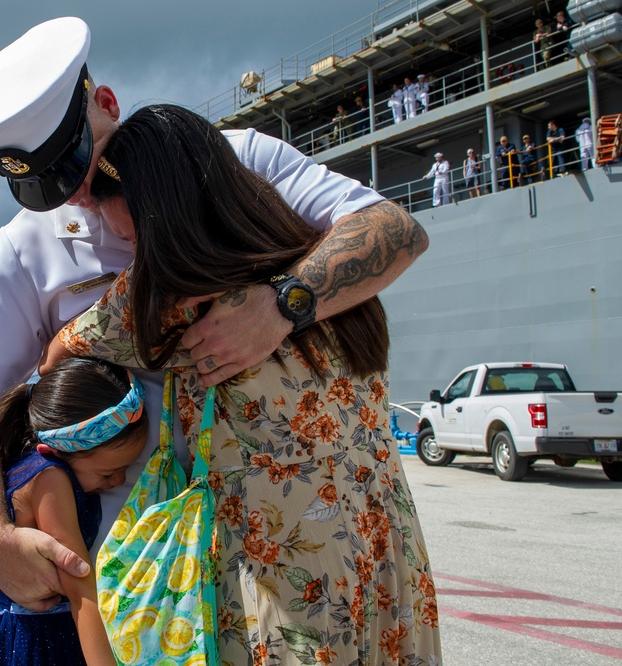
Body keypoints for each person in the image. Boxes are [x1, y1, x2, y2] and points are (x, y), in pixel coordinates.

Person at [0, 17, 429, 614]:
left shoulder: (239, 159)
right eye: (48, 185)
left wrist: (281, 304)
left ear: (108, 104)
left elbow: (394, 230)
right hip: (148, 564)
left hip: (293, 544)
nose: (75, 194)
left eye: (76, 163)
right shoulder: (27, 245)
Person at [44, 103, 441, 665]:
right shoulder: (322, 266)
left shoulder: (169, 298)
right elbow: (402, 229)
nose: (135, 254)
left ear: (166, 215)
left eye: (135, 237)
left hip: (286, 581)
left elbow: (56, 355)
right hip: (386, 551)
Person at [0, 358, 147, 666]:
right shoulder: (50, 480)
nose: (119, 481)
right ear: (55, 451)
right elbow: (80, 586)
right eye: (108, 473)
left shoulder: (33, 464)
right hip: (25, 639)